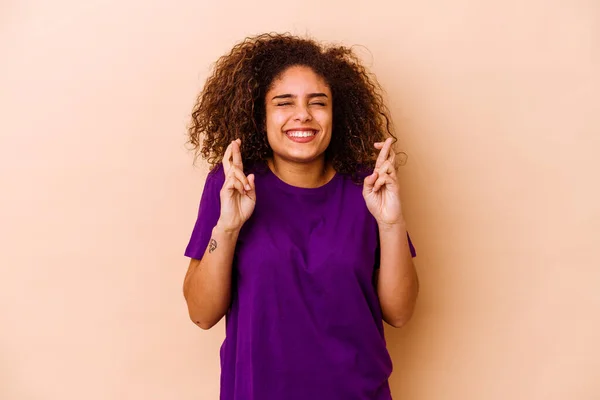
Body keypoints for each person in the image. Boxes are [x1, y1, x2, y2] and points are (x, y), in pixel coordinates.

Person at [182, 33, 419, 400]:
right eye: (283, 102)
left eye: (318, 102)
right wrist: (227, 227)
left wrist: (390, 224)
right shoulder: (232, 183)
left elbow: (400, 313)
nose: (302, 115)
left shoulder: (368, 188)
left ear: (335, 113)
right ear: (259, 114)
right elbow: (201, 313)